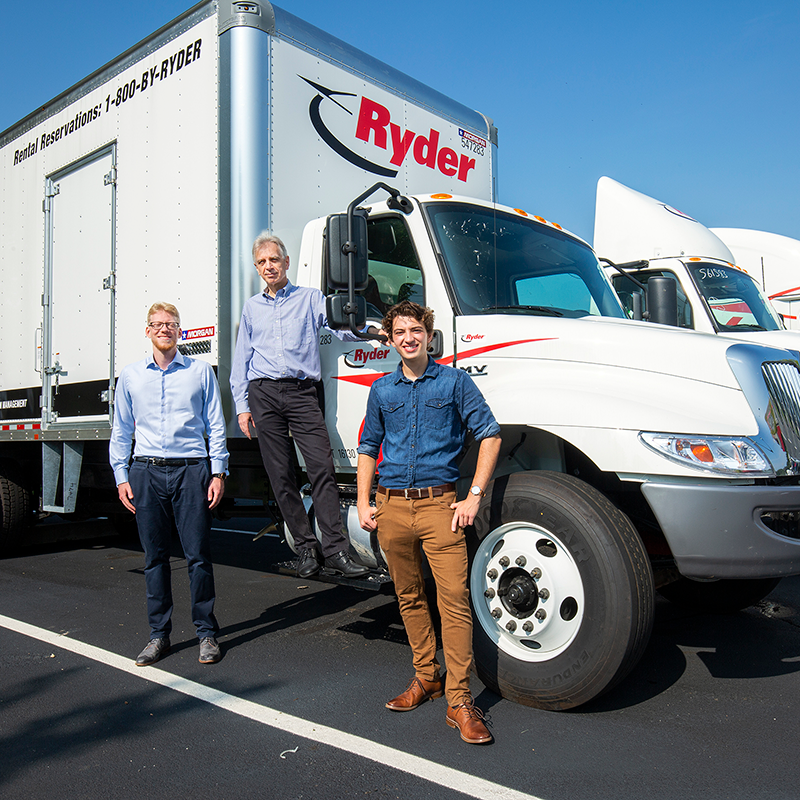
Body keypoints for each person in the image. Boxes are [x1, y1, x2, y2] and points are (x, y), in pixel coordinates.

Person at [357, 300, 502, 745]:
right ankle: (426, 677)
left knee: (454, 600)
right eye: (399, 331)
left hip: (441, 507)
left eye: (415, 330)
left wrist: (473, 496)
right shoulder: (382, 390)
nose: (408, 338)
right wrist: (364, 502)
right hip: (392, 507)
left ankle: (459, 700)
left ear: (428, 334)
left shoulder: (456, 382)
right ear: (391, 338)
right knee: (408, 595)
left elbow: (490, 434)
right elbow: (368, 446)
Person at [230, 233, 369, 579]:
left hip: (302, 392)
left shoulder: (310, 299)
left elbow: (342, 330)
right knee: (281, 476)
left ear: (286, 262)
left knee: (321, 469)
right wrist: (242, 406)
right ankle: (306, 548)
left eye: (273, 260)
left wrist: (371, 330)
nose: (268, 267)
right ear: (257, 268)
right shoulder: (251, 308)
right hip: (262, 393)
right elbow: (241, 361)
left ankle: (336, 551)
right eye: (262, 262)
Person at [110, 302, 229, 667]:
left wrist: (218, 472)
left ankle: (206, 634)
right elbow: (122, 429)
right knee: (155, 559)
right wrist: (121, 475)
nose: (164, 329)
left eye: (171, 324)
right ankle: (158, 636)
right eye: (157, 324)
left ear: (180, 331)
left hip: (191, 471)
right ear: (147, 331)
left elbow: (216, 424)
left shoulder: (199, 372)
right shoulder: (130, 376)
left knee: (197, 557)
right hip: (146, 471)